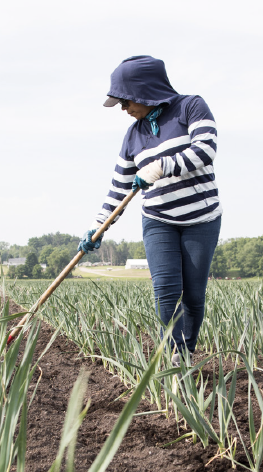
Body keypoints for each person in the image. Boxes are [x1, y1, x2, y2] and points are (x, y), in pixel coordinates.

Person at [77, 56, 222, 367]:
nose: (123, 109)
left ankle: (186, 352)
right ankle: (176, 362)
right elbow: (119, 189)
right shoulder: (132, 136)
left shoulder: (191, 107)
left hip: (202, 218)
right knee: (166, 293)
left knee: (194, 297)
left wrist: (161, 167)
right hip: (158, 219)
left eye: (126, 101)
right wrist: (97, 225)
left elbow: (206, 150)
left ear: (144, 91)